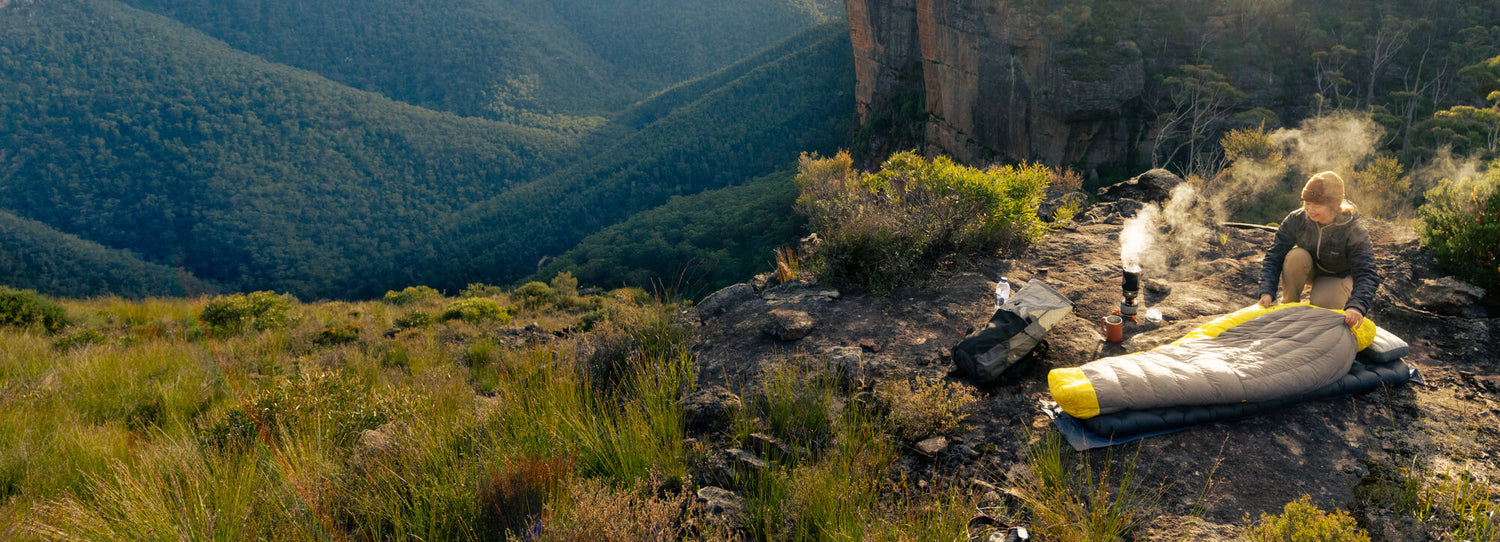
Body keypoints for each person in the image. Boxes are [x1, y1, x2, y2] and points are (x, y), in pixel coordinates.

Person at [1257, 171, 1380, 329]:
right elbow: (1274, 256)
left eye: (1316, 205)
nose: (1309, 209)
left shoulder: (1353, 230)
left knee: (1323, 312)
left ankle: (1331, 298)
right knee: (1295, 256)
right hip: (1311, 269)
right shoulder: (1296, 219)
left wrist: (1357, 306)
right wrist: (1266, 291)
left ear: (1334, 206)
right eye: (1307, 203)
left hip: (1338, 277)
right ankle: (1289, 305)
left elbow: (1367, 272)